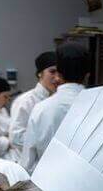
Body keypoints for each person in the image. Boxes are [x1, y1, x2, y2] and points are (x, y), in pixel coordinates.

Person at [20, 43, 90, 174]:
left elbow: (27, 163)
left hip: (46, 186)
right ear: (87, 75)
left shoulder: (41, 109)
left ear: (58, 75)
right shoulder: (98, 108)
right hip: (86, 189)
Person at [9, 51, 59, 164]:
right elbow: (16, 137)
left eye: (59, 73)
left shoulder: (58, 100)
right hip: (27, 164)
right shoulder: (26, 101)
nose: (57, 78)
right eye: (52, 72)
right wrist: (44, 144)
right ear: (40, 74)